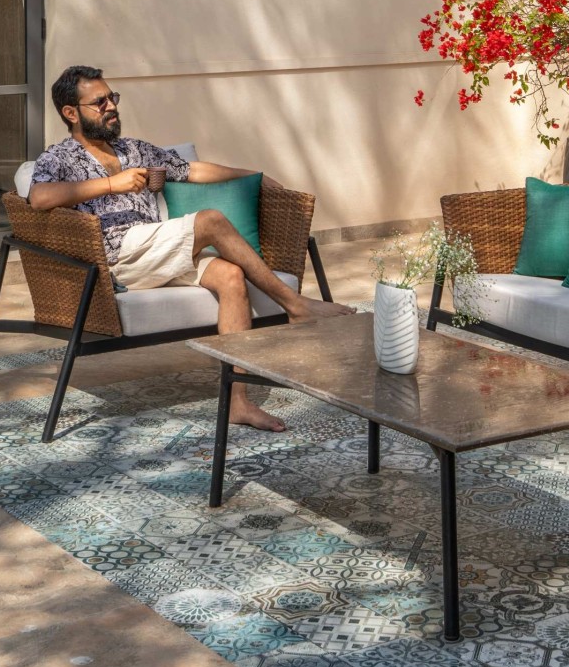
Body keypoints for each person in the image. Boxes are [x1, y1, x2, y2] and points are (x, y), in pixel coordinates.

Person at [29, 65, 352, 431]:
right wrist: (111, 184)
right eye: (99, 102)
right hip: (116, 256)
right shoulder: (58, 158)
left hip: (155, 250)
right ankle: (295, 305)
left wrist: (252, 176)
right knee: (210, 220)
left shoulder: (134, 149)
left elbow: (193, 170)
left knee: (230, 277)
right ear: (71, 113)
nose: (111, 107)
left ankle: (237, 402)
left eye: (112, 98)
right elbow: (39, 198)